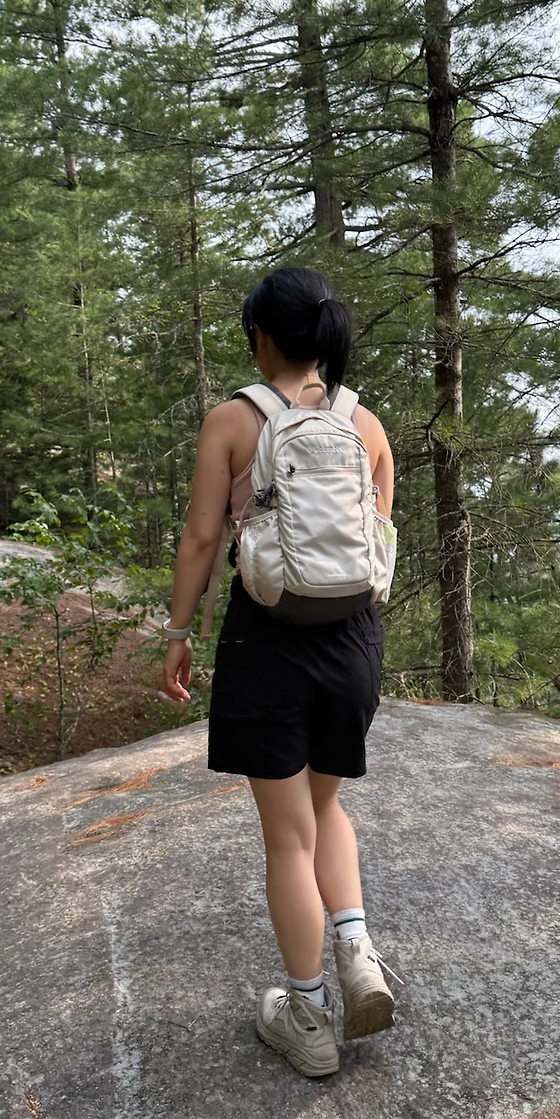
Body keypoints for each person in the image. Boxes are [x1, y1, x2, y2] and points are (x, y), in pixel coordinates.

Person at [161, 266, 396, 1078]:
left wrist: (178, 632)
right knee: (325, 807)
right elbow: (377, 540)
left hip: (268, 642)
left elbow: (202, 537)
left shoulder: (234, 420)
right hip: (353, 644)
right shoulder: (365, 424)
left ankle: (307, 1015)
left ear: (261, 336)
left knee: (287, 838)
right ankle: (357, 952)